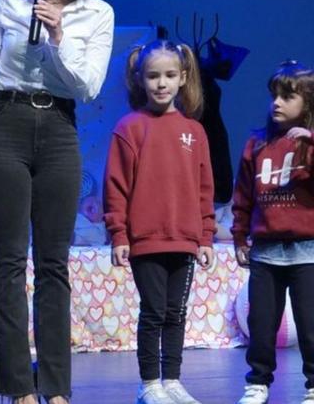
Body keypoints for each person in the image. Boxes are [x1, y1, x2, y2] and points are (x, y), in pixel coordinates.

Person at [0, 0, 113, 402]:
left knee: (54, 264)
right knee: (10, 260)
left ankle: (56, 388)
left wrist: (58, 36)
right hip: (5, 122)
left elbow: (86, 86)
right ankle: (17, 388)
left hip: (59, 128)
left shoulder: (98, 13)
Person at [103, 40, 216, 404]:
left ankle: (172, 380)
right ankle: (149, 383)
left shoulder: (194, 132)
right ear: (140, 79)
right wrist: (119, 234)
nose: (161, 84)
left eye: (169, 75)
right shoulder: (130, 128)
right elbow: (116, 186)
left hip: (185, 241)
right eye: (153, 76)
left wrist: (206, 237)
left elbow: (204, 188)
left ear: (183, 78)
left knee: (176, 313)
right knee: (153, 312)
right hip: (146, 241)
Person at [232, 61, 314, 404]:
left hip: (306, 252)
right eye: (274, 96)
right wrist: (239, 236)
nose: (276, 103)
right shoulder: (257, 144)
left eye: (287, 96)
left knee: (310, 326)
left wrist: (311, 144)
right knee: (262, 324)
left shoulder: (309, 146)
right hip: (265, 251)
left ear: (307, 103)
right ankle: (258, 382)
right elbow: (243, 195)